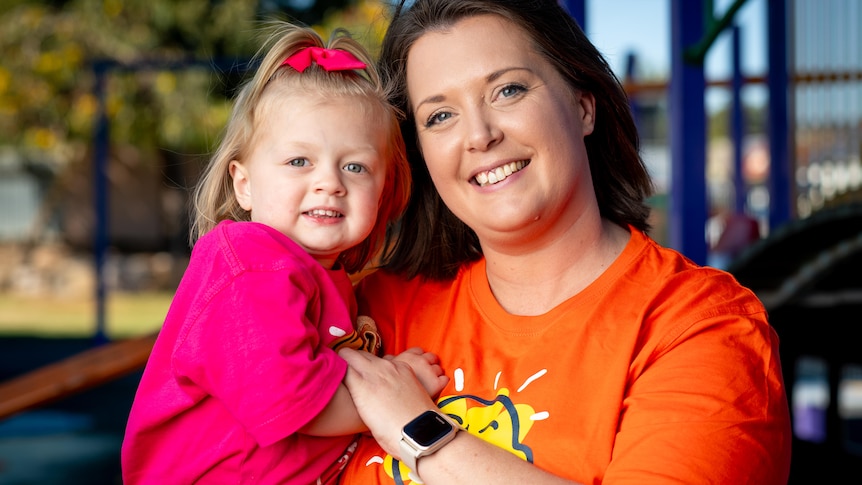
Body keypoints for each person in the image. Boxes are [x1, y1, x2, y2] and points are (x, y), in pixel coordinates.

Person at [335, 1, 793, 483]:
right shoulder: (369, 312)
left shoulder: (700, 328)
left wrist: (419, 431)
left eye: (507, 90)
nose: (479, 135)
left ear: (582, 105)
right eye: (440, 116)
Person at [121, 22, 448, 484]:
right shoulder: (250, 264)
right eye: (299, 161)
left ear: (384, 191)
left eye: (354, 166)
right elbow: (299, 408)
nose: (329, 182)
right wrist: (401, 390)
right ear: (244, 183)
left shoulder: (320, 274)